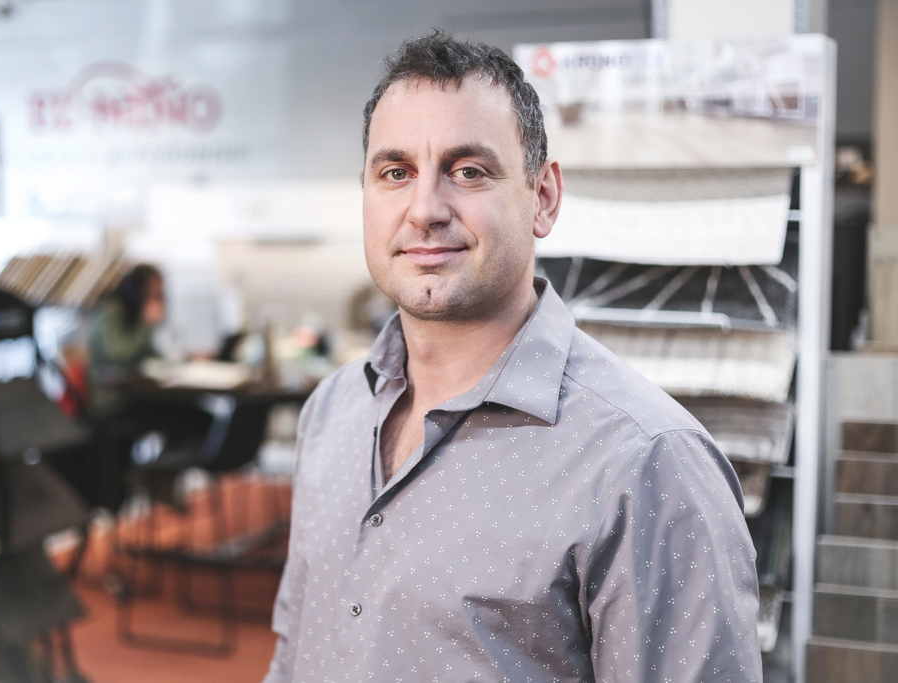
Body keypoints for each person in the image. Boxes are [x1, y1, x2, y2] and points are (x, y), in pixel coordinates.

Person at [265, 30, 761, 683]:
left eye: (468, 170)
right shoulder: (333, 411)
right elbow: (297, 648)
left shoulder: (647, 463)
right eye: (396, 173)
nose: (425, 209)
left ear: (544, 197)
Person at [87, 264, 166, 418]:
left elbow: (149, 353)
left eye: (159, 294)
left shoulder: (134, 313)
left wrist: (182, 361)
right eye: (152, 293)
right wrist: (146, 323)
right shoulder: (110, 310)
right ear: (138, 288)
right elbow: (119, 354)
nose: (156, 299)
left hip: (134, 394)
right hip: (110, 399)